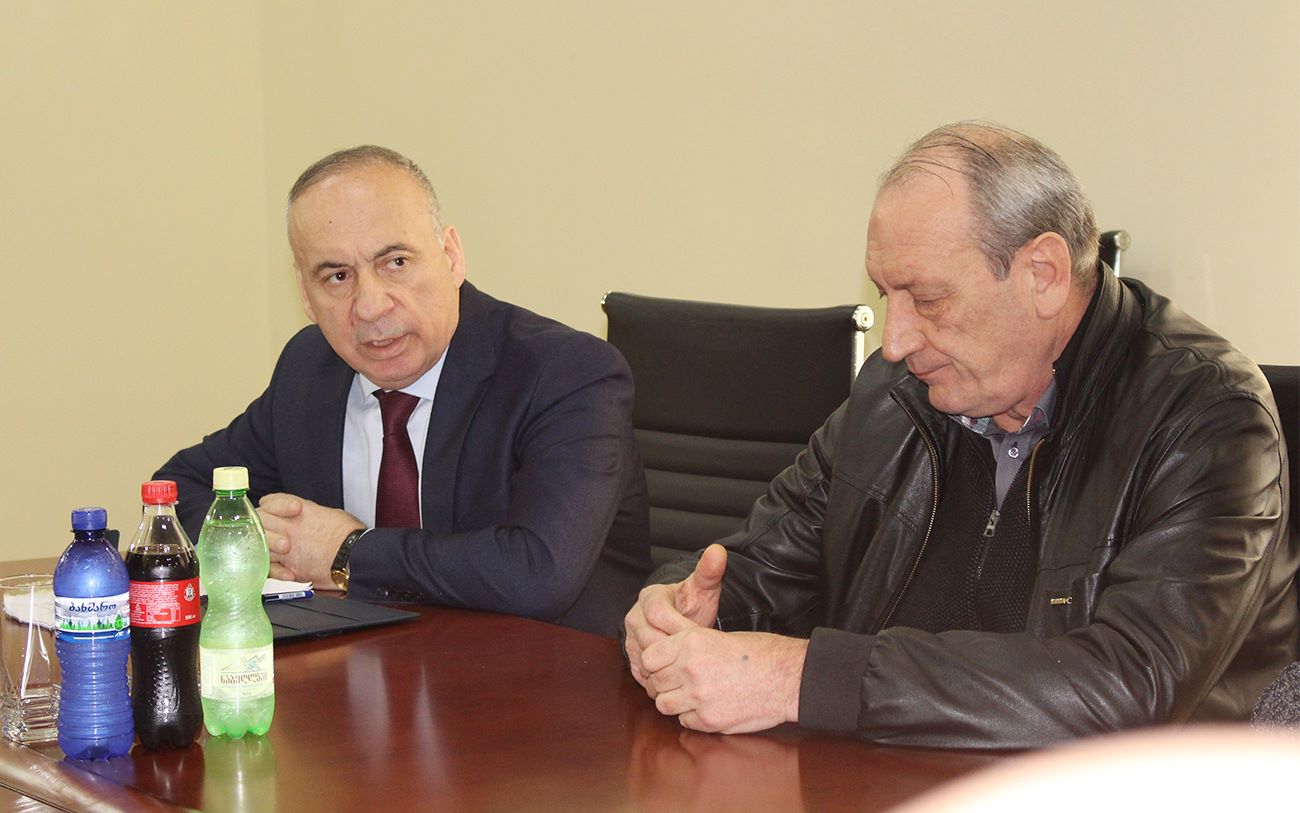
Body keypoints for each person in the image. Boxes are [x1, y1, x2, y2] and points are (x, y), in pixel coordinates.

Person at [624, 122, 1298, 746]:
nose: (895, 341)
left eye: (928, 298)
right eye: (888, 295)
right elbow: (759, 566)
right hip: (889, 781)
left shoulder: (1209, 419)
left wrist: (801, 678)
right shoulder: (892, 396)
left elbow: (1127, 688)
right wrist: (677, 609)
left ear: (1043, 274)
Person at [157, 145, 650, 637]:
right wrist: (263, 542)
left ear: (451, 256)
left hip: (542, 674)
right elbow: (177, 492)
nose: (370, 306)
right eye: (337, 276)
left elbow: (538, 572)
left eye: (395, 262)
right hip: (363, 671)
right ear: (306, 295)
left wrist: (346, 552)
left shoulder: (565, 374)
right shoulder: (310, 370)